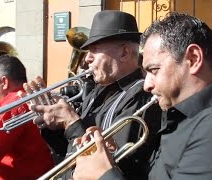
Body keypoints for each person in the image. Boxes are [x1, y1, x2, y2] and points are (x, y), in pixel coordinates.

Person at [72, 12, 212, 180]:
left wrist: (104, 174)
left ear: (193, 59)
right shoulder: (184, 118)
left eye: (154, 70)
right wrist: (111, 159)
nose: (147, 84)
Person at [27, 10, 161, 179]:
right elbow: (69, 149)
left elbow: (112, 166)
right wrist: (54, 126)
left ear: (124, 53)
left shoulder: (140, 95)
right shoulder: (96, 91)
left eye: (95, 49)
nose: (87, 58)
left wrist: (71, 122)